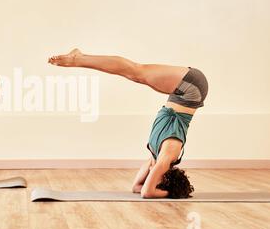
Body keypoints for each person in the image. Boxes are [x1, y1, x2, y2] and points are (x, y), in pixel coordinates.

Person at [49, 49, 208, 198]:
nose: (149, 177)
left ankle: (80, 58)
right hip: (192, 88)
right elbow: (146, 192)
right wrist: (170, 194)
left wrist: (156, 185)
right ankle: (78, 58)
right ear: (164, 180)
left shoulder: (155, 159)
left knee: (134, 74)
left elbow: (137, 187)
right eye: (153, 179)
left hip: (182, 95)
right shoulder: (169, 154)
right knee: (137, 71)